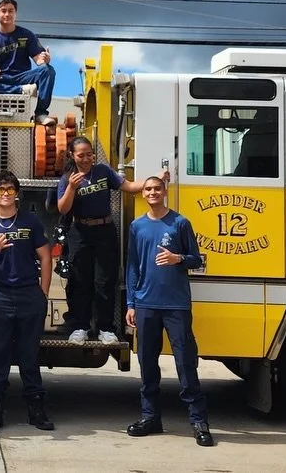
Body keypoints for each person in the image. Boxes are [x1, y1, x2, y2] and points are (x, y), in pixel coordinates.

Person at [125, 176, 215, 447]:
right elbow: (132, 266)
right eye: (148, 189)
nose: (152, 192)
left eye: (157, 188)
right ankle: (150, 417)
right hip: (145, 304)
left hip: (176, 305)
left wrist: (178, 259)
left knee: (185, 363)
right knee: (147, 363)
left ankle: (198, 421)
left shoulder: (180, 223)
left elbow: (197, 260)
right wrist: (131, 303)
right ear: (143, 193)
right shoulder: (137, 226)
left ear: (164, 192)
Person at [55, 137, 167, 345]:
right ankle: (80, 327)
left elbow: (129, 186)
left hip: (105, 230)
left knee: (105, 281)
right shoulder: (68, 178)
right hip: (80, 232)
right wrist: (71, 187)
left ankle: (106, 328)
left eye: (89, 154)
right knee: (80, 281)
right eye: (81, 155)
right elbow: (63, 208)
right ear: (72, 155)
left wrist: (154, 180)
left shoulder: (103, 171)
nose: (86, 159)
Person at [0, 171, 54, 433]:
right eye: (0, 190)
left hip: (29, 294)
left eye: (10, 189)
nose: (5, 194)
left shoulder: (30, 221)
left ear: (17, 193)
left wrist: (43, 292)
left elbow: (46, 256)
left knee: (29, 355)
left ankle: (36, 410)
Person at [0, 0, 56, 126]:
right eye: (3, 11)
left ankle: (41, 113)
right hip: (2, 79)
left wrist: (45, 59)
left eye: (11, 11)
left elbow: (39, 59)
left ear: (16, 14)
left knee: (48, 70)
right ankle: (20, 90)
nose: (7, 14)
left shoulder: (26, 35)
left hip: (23, 77)